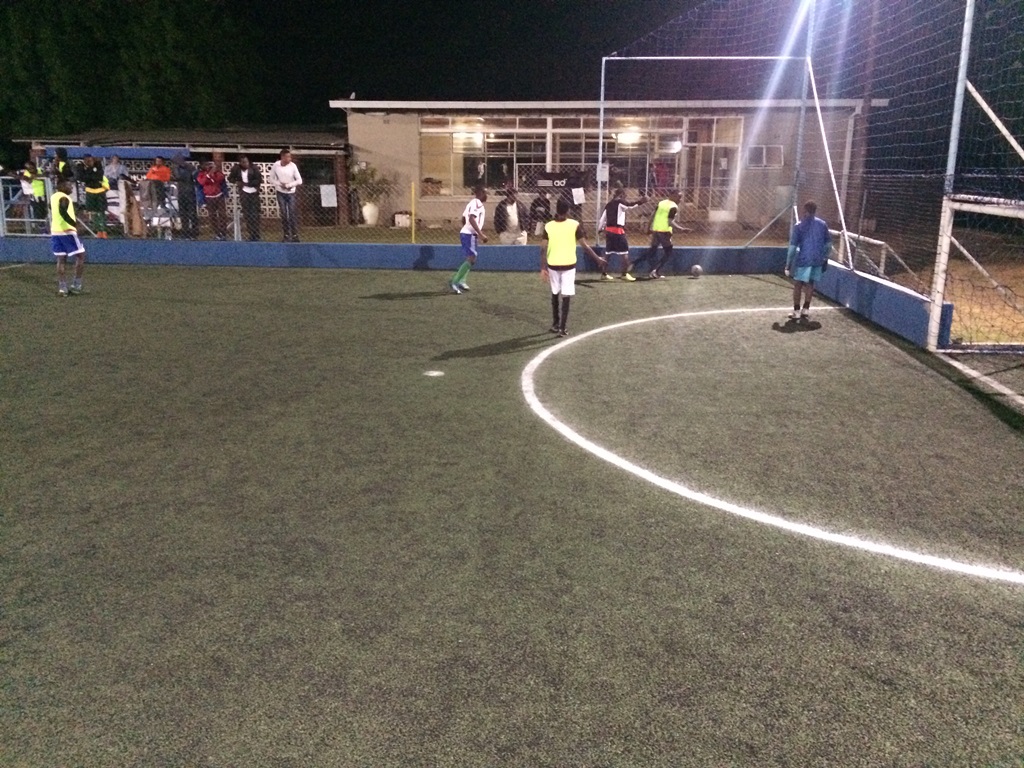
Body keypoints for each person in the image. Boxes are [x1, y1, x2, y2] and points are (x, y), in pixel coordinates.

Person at [542, 198, 607, 337]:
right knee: (566, 295)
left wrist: (543, 267)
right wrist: (597, 259)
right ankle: (562, 328)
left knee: (555, 293)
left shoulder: (548, 226)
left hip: (553, 265)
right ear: (568, 210)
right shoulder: (574, 225)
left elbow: (543, 248)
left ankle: (555, 323)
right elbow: (585, 246)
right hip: (568, 265)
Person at [785, 200, 832, 320]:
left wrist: (788, 264)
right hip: (817, 259)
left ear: (805, 210)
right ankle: (805, 309)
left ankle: (796, 311)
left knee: (798, 284)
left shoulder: (799, 226)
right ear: (815, 211)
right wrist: (825, 258)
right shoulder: (822, 224)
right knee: (810, 283)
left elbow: (793, 247)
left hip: (804, 259)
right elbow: (828, 245)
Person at [632, 189, 689, 279]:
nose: (680, 199)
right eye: (679, 197)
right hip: (664, 232)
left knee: (652, 251)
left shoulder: (661, 203)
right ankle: (655, 271)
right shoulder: (673, 207)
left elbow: (652, 216)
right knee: (668, 252)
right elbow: (669, 222)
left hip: (656, 230)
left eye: (681, 197)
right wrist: (681, 229)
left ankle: (634, 263)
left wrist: (648, 228)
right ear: (672, 195)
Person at [597, 185, 648, 281]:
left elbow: (602, 219)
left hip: (609, 231)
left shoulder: (608, 205)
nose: (625, 198)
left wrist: (600, 229)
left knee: (608, 253)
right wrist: (641, 201)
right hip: (618, 231)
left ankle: (604, 274)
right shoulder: (620, 202)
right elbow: (630, 206)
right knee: (624, 252)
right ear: (621, 195)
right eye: (625, 196)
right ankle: (624, 274)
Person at [50, 179, 86, 297]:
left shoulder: (53, 197)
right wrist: (75, 223)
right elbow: (63, 213)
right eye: (69, 186)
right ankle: (76, 285)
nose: (71, 188)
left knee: (61, 259)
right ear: (62, 187)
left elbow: (52, 208)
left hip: (56, 231)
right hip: (67, 231)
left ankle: (62, 288)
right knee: (81, 255)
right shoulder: (64, 198)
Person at [449, 186, 488, 294]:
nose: (486, 196)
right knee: (472, 258)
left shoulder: (472, 203)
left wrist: (468, 228)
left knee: (471, 258)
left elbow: (463, 219)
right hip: (469, 234)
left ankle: (462, 280)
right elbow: (471, 218)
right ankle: (455, 282)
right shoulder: (477, 203)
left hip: (469, 234)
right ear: (480, 193)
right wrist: (480, 234)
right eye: (485, 193)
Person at [270, 149, 302, 242]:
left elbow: (299, 180)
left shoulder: (293, 166)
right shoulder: (276, 165)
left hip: (291, 192)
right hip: (280, 192)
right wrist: (280, 184)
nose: (289, 159)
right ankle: (286, 235)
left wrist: (289, 185)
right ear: (282, 157)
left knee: (291, 213)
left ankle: (295, 235)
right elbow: (271, 179)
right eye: (287, 157)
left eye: (290, 157)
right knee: (284, 214)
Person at [228, 155, 263, 240]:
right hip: (244, 193)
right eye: (243, 162)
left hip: (254, 193)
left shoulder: (254, 168)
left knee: (255, 214)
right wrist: (237, 182)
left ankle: (256, 234)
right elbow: (230, 178)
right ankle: (251, 234)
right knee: (247, 214)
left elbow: (259, 180)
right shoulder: (236, 169)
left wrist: (247, 184)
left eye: (247, 162)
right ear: (240, 163)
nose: (246, 164)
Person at [79, 154, 110, 238]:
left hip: (100, 191)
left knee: (101, 211)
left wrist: (90, 175)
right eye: (86, 160)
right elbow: (82, 178)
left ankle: (104, 230)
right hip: (90, 191)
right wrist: (90, 172)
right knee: (93, 211)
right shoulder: (81, 167)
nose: (88, 161)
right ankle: (98, 230)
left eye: (89, 159)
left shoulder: (98, 165)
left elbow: (99, 177)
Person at [196, 161, 228, 240]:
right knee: (212, 216)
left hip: (219, 196)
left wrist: (214, 173)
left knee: (222, 214)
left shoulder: (217, 173)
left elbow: (220, 178)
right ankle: (217, 233)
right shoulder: (201, 174)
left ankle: (223, 233)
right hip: (209, 197)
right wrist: (208, 175)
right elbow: (202, 182)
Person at [172, 156, 199, 240]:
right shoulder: (177, 168)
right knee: (183, 213)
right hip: (182, 192)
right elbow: (177, 177)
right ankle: (185, 232)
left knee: (192, 213)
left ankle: (194, 232)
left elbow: (195, 177)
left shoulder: (190, 167)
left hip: (190, 192)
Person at [19, 160, 46, 232]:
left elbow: (45, 175)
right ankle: (42, 228)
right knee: (39, 212)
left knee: (45, 211)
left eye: (32, 168)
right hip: (35, 195)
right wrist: (33, 177)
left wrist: (36, 176)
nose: (31, 170)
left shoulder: (40, 170)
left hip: (44, 193)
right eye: (29, 169)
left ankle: (45, 226)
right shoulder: (26, 173)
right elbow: (28, 180)